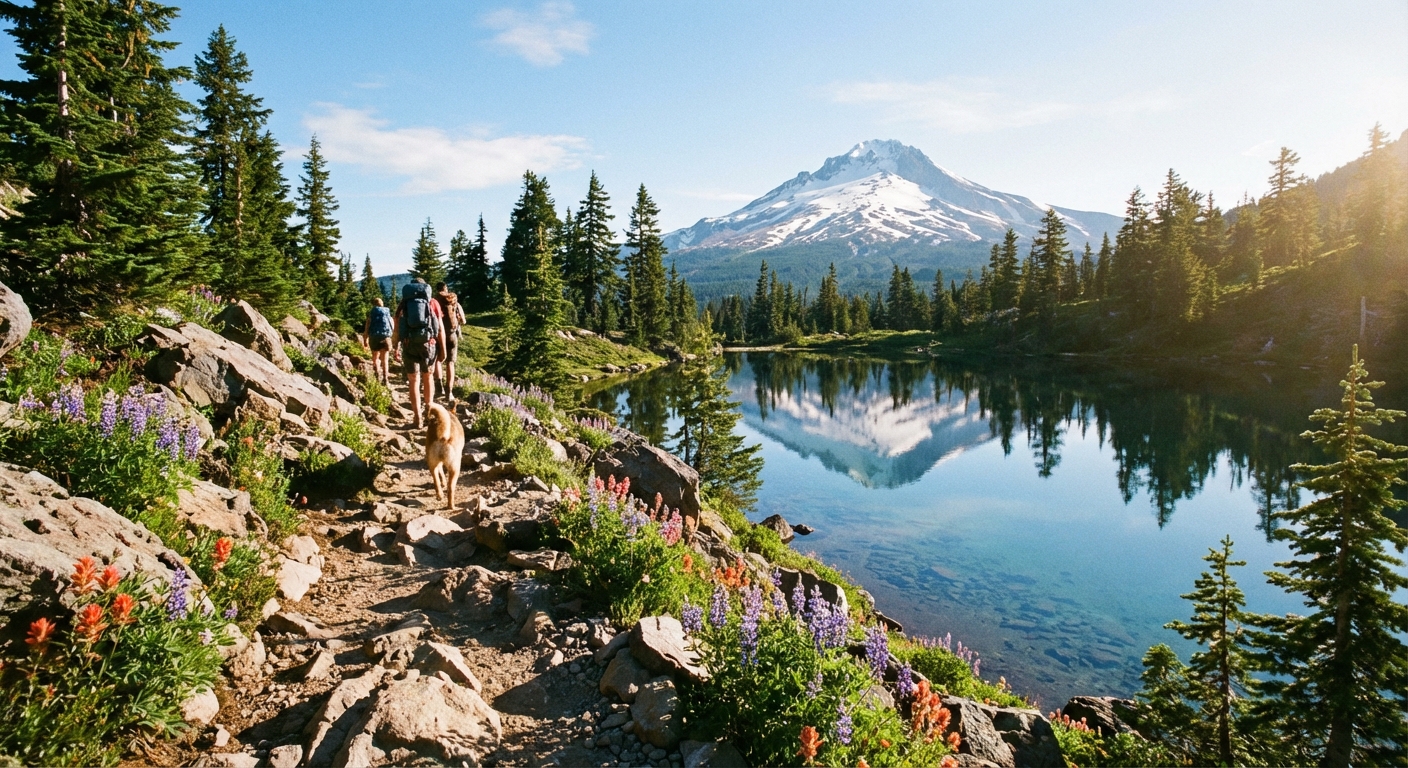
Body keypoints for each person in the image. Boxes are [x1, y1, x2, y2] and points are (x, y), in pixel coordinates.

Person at [392, 278, 445, 428]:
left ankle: (417, 418)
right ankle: (428, 412)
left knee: (413, 381)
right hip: (429, 345)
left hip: (409, 345)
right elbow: (439, 328)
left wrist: (396, 347)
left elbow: (397, 328)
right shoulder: (432, 302)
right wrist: (443, 350)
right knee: (428, 377)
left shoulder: (404, 304)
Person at [433, 281, 467, 401]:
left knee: (438, 360)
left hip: (438, 335)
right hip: (452, 335)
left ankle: (439, 388)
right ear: (446, 288)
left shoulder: (434, 301)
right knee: (450, 363)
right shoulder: (454, 301)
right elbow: (463, 320)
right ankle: (449, 392)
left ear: (436, 289)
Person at [363, 297, 393, 384]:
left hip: (374, 337)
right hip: (386, 337)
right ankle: (385, 378)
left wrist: (365, 339)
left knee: (375, 358)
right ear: (382, 304)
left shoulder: (372, 314)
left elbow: (367, 328)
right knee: (385, 360)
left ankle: (377, 376)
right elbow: (392, 327)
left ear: (373, 305)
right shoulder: (387, 314)